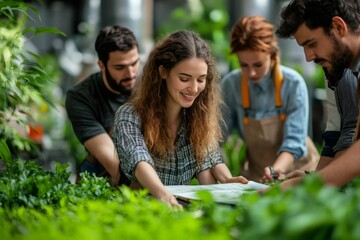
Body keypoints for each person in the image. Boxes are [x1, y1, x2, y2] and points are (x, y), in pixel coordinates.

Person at [111, 30, 248, 207]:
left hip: (180, 213)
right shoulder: (130, 116)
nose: (194, 88)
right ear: (163, 72)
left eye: (201, 79)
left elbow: (209, 160)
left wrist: (229, 182)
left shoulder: (197, 117)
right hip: (142, 212)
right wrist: (163, 195)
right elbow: (139, 161)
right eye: (184, 78)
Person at [272, 0, 360, 188]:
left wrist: (303, 186)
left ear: (338, 27)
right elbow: (335, 132)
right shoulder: (335, 68)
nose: (308, 57)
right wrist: (315, 178)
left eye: (312, 44)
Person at [220, 16, 319, 182]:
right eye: (244, 65)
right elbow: (216, 138)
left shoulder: (292, 84)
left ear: (272, 55)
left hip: (300, 172)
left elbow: (294, 142)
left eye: (258, 65)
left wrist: (275, 171)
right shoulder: (231, 85)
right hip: (258, 177)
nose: (251, 73)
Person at [65, 25, 140, 186]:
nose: (131, 74)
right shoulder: (81, 96)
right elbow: (113, 163)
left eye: (134, 63)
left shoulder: (149, 85)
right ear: (101, 65)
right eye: (120, 67)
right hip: (108, 172)